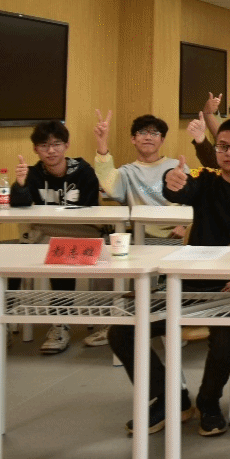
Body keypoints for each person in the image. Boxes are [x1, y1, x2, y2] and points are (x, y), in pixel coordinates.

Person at [108, 118, 230, 437]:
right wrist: (172, 182)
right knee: (122, 331)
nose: (229, 153)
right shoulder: (205, 179)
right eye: (223, 146)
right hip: (187, 286)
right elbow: (179, 189)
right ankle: (170, 399)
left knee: (226, 337)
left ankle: (208, 402)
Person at [7, 119, 102, 355]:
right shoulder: (32, 173)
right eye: (44, 146)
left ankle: (60, 323)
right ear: (35, 149)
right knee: (10, 260)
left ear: (66, 146)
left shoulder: (84, 172)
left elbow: (91, 210)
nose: (51, 151)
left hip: (82, 233)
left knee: (61, 254)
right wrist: (20, 185)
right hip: (45, 234)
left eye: (56, 144)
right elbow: (18, 206)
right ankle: (2, 322)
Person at [91, 110, 182, 348]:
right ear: (133, 139)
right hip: (139, 239)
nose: (148, 137)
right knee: (104, 260)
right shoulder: (127, 172)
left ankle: (170, 325)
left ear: (162, 139)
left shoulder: (175, 166)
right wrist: (102, 144)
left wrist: (183, 225)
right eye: (142, 132)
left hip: (175, 237)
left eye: (155, 133)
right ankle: (112, 323)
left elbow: (193, 199)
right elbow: (110, 186)